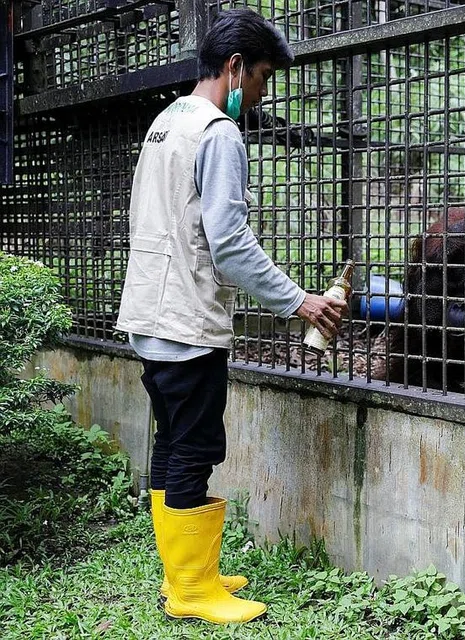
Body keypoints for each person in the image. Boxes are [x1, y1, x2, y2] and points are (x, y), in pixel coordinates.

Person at [115, 8, 346, 625]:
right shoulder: (218, 132)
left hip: (148, 314)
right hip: (187, 322)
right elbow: (230, 242)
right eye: (263, 77)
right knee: (194, 448)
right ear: (236, 67)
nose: (262, 92)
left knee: (172, 443)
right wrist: (300, 301)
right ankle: (191, 592)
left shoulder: (166, 122)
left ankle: (188, 572)